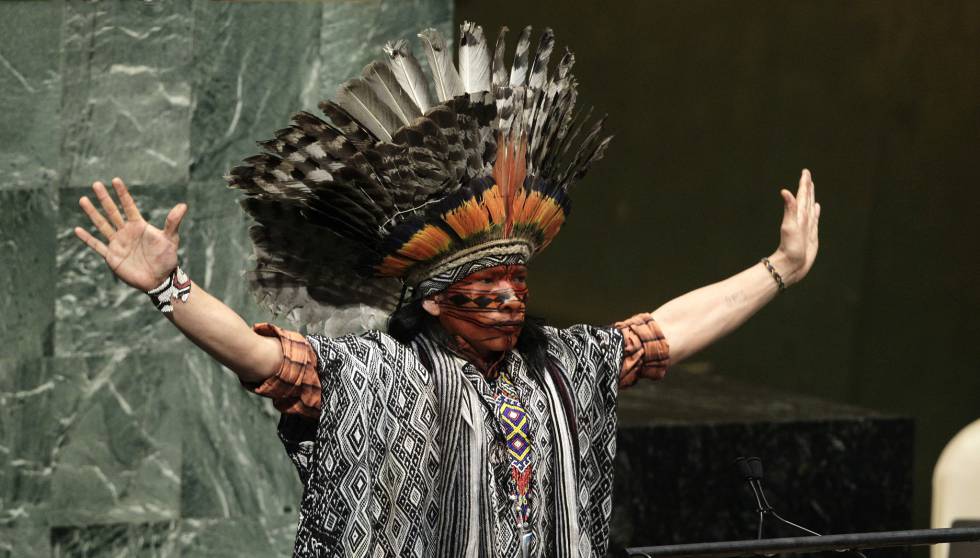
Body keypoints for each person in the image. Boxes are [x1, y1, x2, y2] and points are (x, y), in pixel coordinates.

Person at [73, 23, 819, 558]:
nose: (508, 298)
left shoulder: (563, 363)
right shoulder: (377, 374)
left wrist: (778, 269)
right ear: (433, 298)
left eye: (517, 281)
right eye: (485, 283)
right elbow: (260, 358)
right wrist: (169, 286)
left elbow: (663, 333)